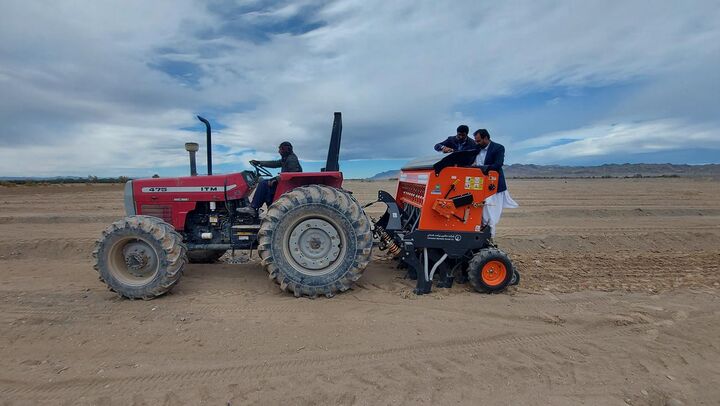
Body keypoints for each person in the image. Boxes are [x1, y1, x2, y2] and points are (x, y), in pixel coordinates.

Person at [472, 129, 518, 243]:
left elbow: (497, 164)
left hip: (494, 186)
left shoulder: (498, 148)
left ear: (486, 138)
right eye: (476, 141)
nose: (477, 143)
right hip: (478, 186)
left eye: (478, 141)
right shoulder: (476, 148)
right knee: (477, 211)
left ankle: (489, 240)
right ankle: (478, 237)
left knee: (490, 213)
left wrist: (479, 169)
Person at [247, 141, 302, 214]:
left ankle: (253, 207)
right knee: (264, 181)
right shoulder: (286, 158)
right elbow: (274, 163)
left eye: (280, 149)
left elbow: (293, 174)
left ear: (286, 150)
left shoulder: (291, 159)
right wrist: (259, 163)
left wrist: (276, 179)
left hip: (288, 185)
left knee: (263, 183)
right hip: (285, 183)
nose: (279, 151)